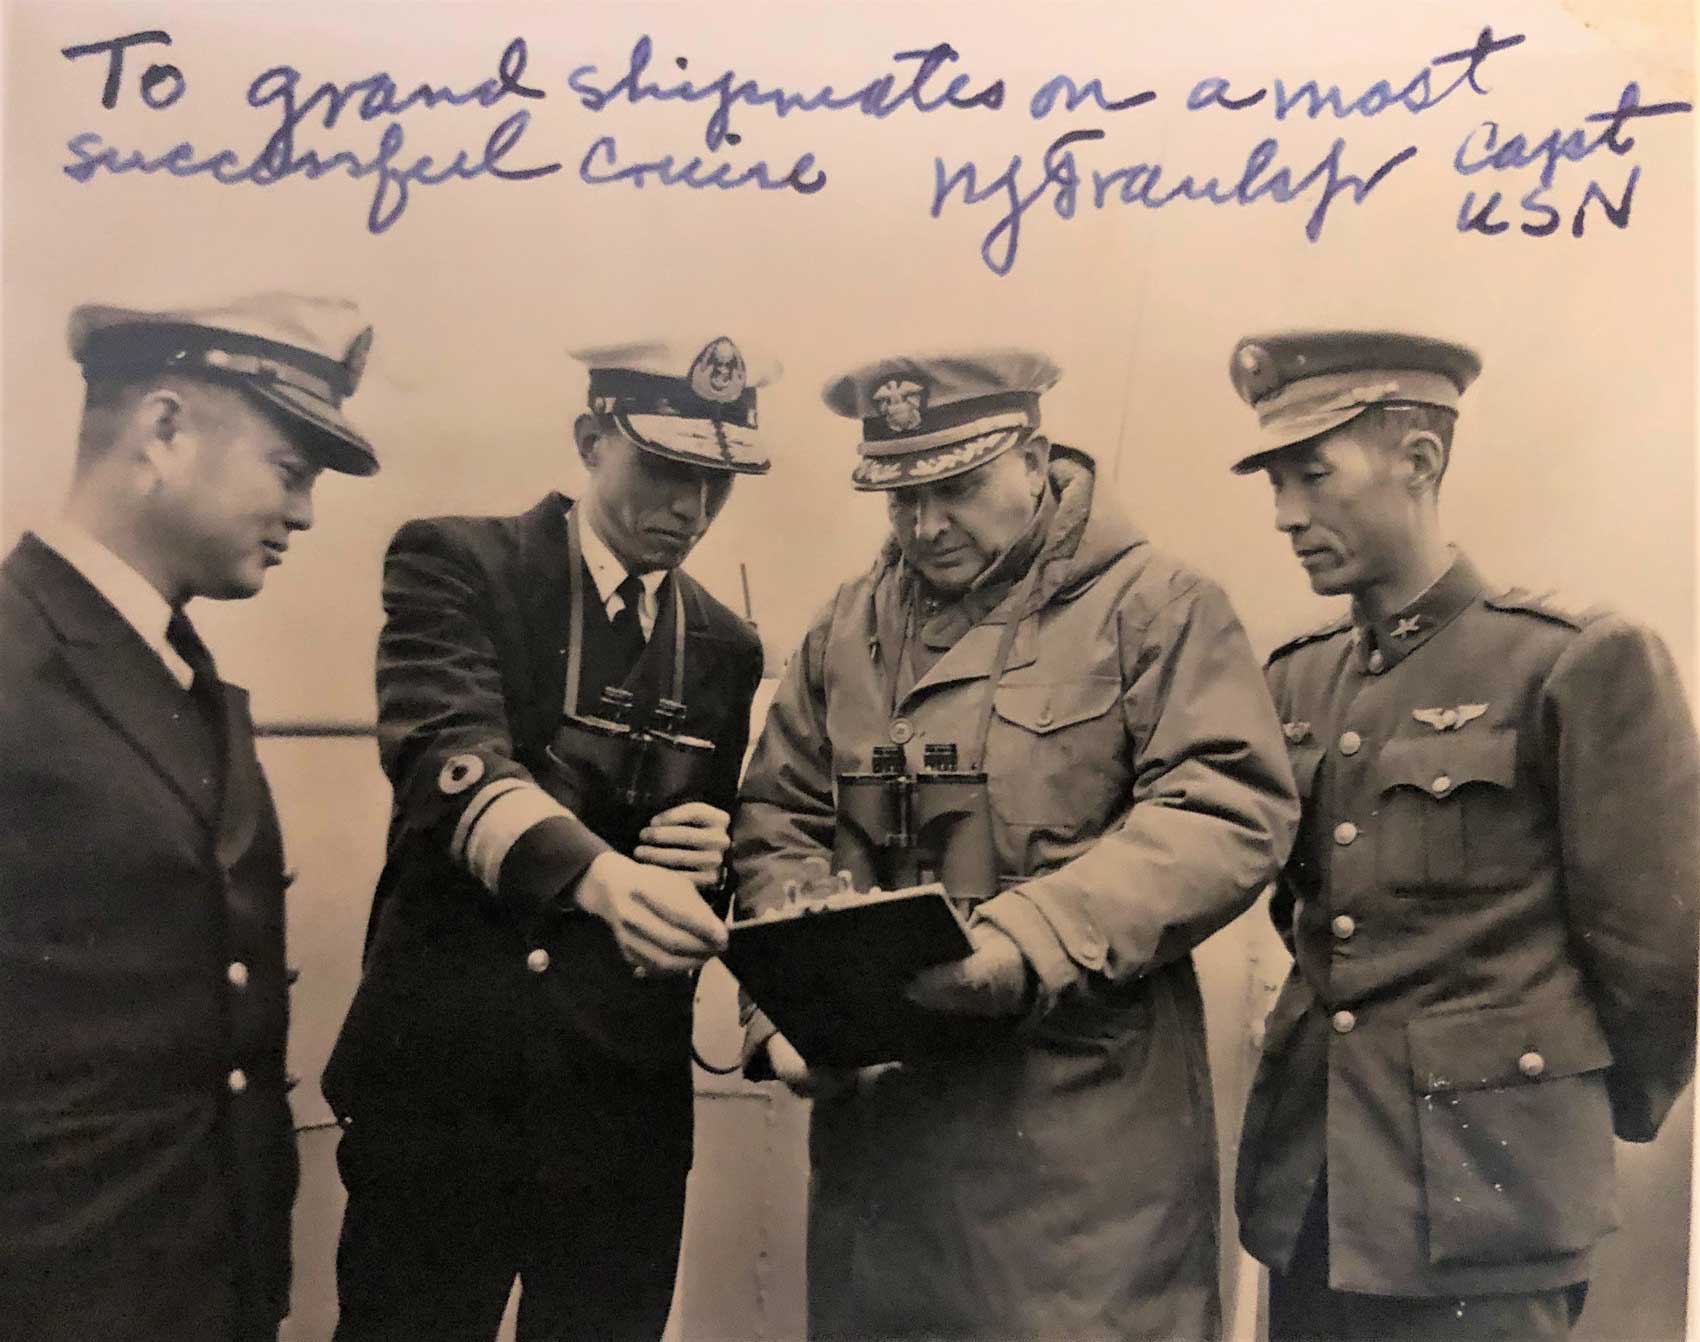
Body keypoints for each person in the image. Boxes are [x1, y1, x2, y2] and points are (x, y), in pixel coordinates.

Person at [731, 349, 1298, 1340]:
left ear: (1033, 459)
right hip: (879, 1163)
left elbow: (1222, 807)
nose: (923, 524)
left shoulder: (1155, 606)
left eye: (954, 487)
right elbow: (777, 815)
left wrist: (1027, 937)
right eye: (900, 497)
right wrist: (787, 1009)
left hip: (1075, 1175)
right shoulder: (845, 625)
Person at [1225, 330, 1700, 1341]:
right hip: (1312, 1191)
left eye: (1311, 474)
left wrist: (1551, 1113)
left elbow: (1657, 951)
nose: (1284, 515)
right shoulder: (1295, 678)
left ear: (1419, 460)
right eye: (1273, 482)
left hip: (1485, 1200)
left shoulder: (1571, 661)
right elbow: (1303, 909)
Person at [322, 336, 771, 1341]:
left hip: (621, 1123)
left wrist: (717, 860)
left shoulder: (727, 646)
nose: (692, 510)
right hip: (447, 1104)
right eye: (667, 469)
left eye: (718, 482)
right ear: (588, 437)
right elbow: (450, 767)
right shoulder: (458, 562)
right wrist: (605, 878)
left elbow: (714, 859)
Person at [0, 295, 380, 1342]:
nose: (302, 515)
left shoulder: (174, 672)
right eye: (288, 471)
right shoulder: (16, 665)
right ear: (163, 431)